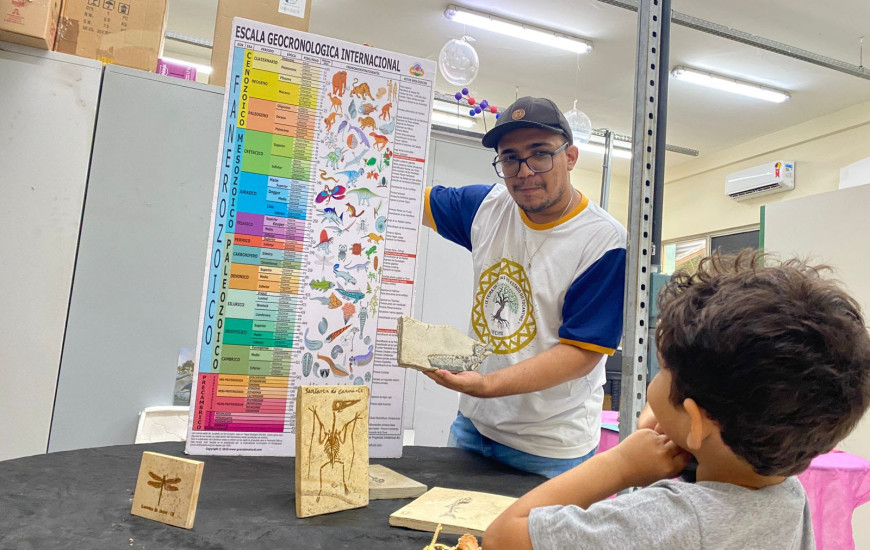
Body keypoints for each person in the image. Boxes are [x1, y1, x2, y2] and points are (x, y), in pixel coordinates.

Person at [484, 252, 870, 549]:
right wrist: (681, 423)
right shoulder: (788, 494)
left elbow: (503, 538)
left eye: (663, 368)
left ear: (696, 419)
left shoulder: (668, 519)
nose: (657, 379)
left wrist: (620, 466)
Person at [422, 96, 627, 478]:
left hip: (549, 446)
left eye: (540, 154)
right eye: (510, 158)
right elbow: (406, 199)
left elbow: (581, 353)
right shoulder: (486, 207)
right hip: (473, 427)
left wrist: (486, 384)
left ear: (570, 156)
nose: (525, 171)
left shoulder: (604, 241)